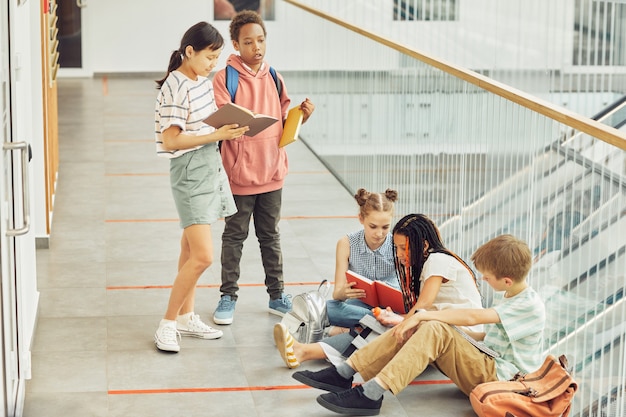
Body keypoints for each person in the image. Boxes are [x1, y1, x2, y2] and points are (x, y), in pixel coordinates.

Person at [292, 234, 546, 416]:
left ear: (507, 280)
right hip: (490, 364)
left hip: (503, 379)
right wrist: (425, 321)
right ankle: (345, 373)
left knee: (431, 323)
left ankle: (370, 392)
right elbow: (481, 334)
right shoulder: (513, 295)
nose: (483, 279)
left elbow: (472, 318)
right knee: (427, 325)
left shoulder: (529, 305)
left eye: (487, 277)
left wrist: (426, 316)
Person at [274, 213, 484, 369]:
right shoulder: (428, 264)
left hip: (459, 336)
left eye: (403, 248)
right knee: (373, 324)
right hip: (440, 328)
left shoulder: (438, 260)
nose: (399, 254)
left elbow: (423, 307)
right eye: (397, 248)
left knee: (376, 327)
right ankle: (303, 351)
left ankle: (306, 350)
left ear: (424, 244)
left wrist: (397, 320)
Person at [211, 10, 315, 325]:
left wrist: (301, 116)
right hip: (239, 174)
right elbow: (219, 118)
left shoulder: (274, 76)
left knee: (270, 236)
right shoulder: (224, 78)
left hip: (272, 173)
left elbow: (284, 119)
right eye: (248, 41)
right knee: (234, 237)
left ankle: (276, 295)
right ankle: (227, 296)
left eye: (260, 40)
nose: (256, 46)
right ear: (235, 44)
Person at [153, 22, 250, 353]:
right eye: (210, 57)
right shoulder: (175, 87)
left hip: (210, 165)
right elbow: (170, 141)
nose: (213, 65)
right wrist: (218, 135)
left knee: (189, 250)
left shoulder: (203, 82)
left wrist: (230, 125)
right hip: (190, 171)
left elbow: (204, 124)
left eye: (217, 58)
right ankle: (167, 322)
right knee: (204, 256)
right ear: (190, 52)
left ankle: (186, 316)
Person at [327, 187, 400, 329]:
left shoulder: (397, 245)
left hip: (391, 308)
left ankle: (362, 326)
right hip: (358, 305)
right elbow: (337, 294)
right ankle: (381, 323)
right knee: (328, 308)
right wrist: (343, 293)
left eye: (385, 227)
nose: (379, 233)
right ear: (361, 218)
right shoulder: (346, 244)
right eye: (373, 226)